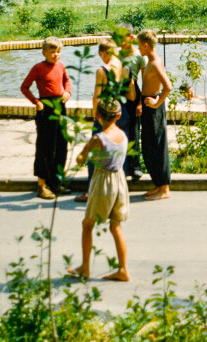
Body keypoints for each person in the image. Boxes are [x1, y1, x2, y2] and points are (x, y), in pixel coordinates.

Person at [67, 99, 130, 282]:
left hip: (103, 182)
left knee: (87, 224)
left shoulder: (98, 139)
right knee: (115, 225)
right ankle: (123, 269)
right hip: (119, 180)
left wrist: (85, 153)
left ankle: (85, 267)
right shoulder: (123, 136)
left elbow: (80, 159)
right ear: (118, 116)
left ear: (97, 115)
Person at [20, 37, 72, 199]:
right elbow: (24, 87)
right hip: (46, 108)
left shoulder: (61, 66)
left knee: (61, 145)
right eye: (52, 52)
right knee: (45, 147)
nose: (56, 55)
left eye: (58, 52)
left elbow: (67, 81)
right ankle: (42, 185)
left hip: (60, 107)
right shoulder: (38, 68)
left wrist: (67, 92)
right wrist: (36, 101)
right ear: (44, 52)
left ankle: (56, 182)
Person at [76, 38, 123, 203]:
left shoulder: (102, 70)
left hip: (103, 115)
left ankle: (91, 191)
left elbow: (97, 96)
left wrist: (95, 116)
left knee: (94, 152)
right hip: (117, 113)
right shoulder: (121, 66)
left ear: (103, 53)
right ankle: (114, 190)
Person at [137, 30, 171, 201]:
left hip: (154, 108)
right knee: (149, 147)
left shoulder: (156, 63)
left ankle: (164, 188)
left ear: (145, 45)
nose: (138, 49)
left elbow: (168, 87)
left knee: (157, 146)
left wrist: (157, 103)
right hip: (148, 107)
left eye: (139, 46)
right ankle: (158, 184)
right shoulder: (150, 61)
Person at [117, 29, 145, 182]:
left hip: (134, 95)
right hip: (119, 94)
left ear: (132, 37)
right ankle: (120, 165)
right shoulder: (116, 55)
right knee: (119, 130)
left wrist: (140, 102)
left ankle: (135, 167)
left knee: (134, 131)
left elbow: (145, 79)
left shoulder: (139, 57)